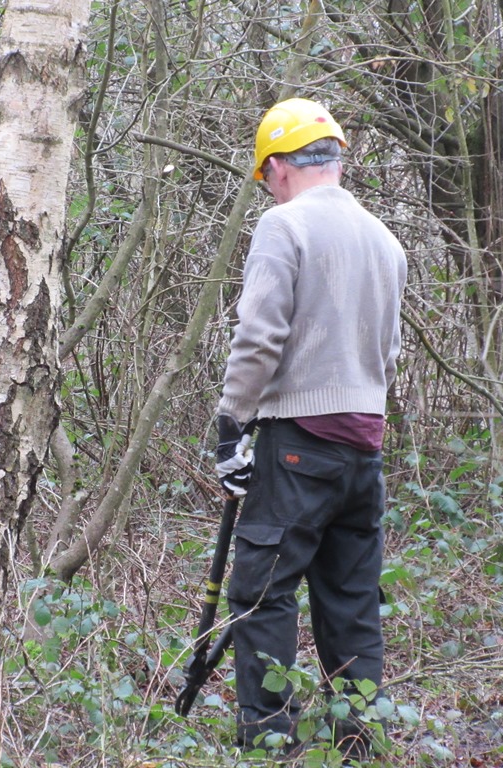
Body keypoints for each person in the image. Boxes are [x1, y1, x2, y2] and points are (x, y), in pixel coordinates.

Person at [214, 98, 407, 758]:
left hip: (299, 445)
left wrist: (231, 422)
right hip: (365, 452)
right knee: (351, 606)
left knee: (260, 594)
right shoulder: (386, 240)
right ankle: (360, 744)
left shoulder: (283, 226)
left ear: (278, 167)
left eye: (264, 176)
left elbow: (259, 337)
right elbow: (387, 355)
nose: (268, 188)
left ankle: (270, 745)